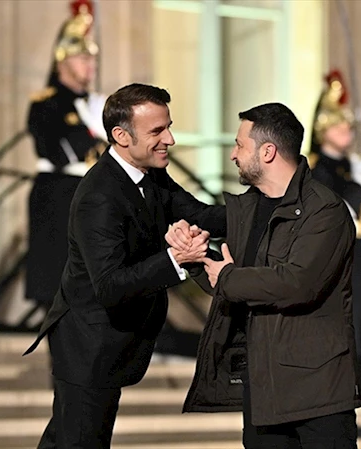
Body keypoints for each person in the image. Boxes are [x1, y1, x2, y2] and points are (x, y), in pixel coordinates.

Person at [24, 83, 227, 449]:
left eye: (168, 127)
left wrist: (271, 204)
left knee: (66, 441)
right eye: (157, 131)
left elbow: (202, 214)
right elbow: (110, 285)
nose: (170, 140)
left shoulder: (151, 174)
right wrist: (176, 259)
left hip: (111, 343)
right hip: (87, 345)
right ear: (121, 136)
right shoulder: (99, 196)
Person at [179, 103, 361, 448]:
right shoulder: (248, 208)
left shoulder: (325, 210)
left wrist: (227, 277)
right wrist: (195, 259)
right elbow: (237, 282)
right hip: (263, 393)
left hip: (318, 396)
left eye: (239, 145)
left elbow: (296, 284)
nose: (233, 155)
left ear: (267, 151)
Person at [25, 0, 109, 310]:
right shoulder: (47, 104)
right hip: (59, 195)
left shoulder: (97, 104)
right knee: (58, 286)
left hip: (95, 194)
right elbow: (57, 152)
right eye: (83, 57)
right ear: (63, 59)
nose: (91, 65)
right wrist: (94, 133)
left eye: (93, 58)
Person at [307, 69, 361, 360]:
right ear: (322, 131)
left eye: (348, 127)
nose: (346, 132)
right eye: (338, 127)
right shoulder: (317, 171)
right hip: (338, 265)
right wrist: (359, 186)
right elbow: (337, 211)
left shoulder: (352, 167)